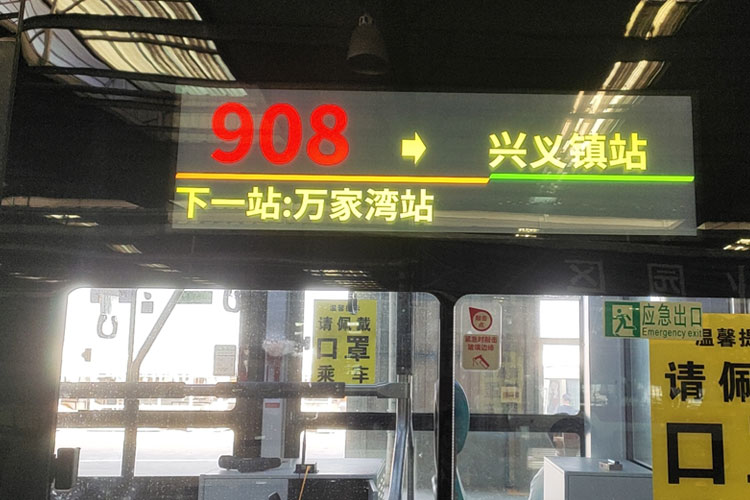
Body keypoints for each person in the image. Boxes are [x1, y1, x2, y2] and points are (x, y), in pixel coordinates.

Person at [528, 418, 582, 500]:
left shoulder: (583, 464)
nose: (576, 438)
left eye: (577, 434)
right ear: (556, 437)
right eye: (570, 433)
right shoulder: (544, 477)